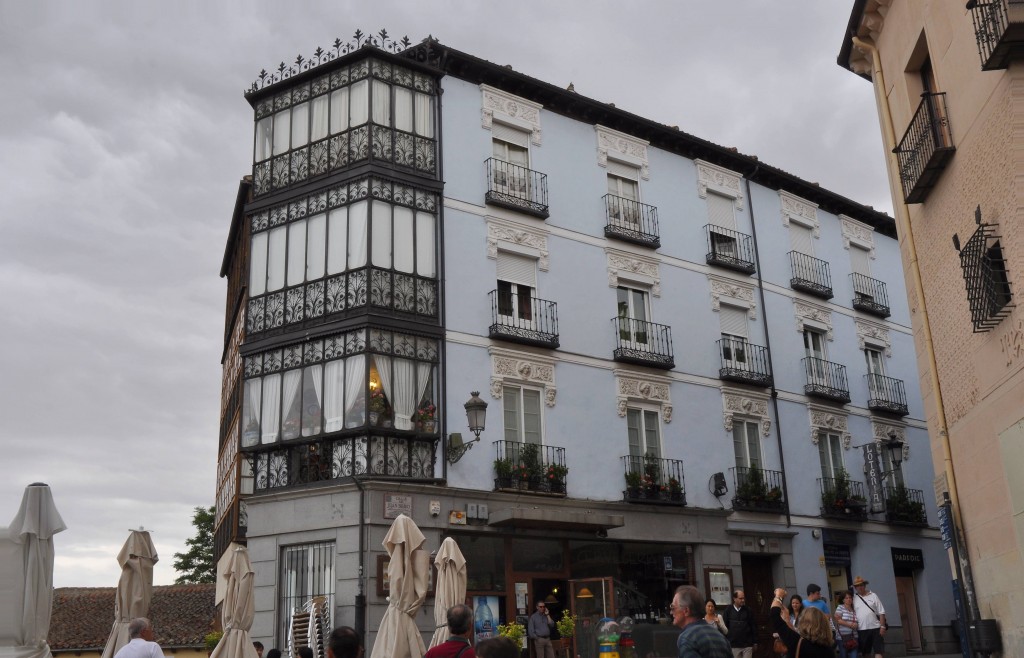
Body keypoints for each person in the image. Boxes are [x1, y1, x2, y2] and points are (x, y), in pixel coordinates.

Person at [769, 589, 834, 658]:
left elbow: (774, 616)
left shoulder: (797, 642)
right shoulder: (829, 650)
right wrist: (787, 620)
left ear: (804, 623)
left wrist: (778, 596)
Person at [671, 585, 731, 658]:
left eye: (673, 607)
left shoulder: (687, 638)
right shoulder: (721, 637)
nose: (671, 612)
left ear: (686, 611)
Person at [851, 577, 886, 658]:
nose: (860, 587)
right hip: (861, 629)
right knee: (866, 653)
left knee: (878, 651)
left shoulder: (873, 595)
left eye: (861, 585)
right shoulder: (854, 598)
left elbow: (881, 612)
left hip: (876, 628)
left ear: (865, 585)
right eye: (857, 586)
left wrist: (882, 626)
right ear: (855, 588)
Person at [721, 589, 757, 658]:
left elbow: (753, 626)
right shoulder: (728, 610)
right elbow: (725, 627)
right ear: (734, 599)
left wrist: (755, 641)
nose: (743, 600)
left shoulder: (748, 610)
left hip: (747, 644)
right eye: (740, 598)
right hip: (734, 645)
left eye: (744, 598)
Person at [834, 592, 859, 658]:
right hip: (842, 637)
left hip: (853, 637)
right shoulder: (840, 607)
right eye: (846, 598)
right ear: (843, 600)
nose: (849, 599)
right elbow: (838, 620)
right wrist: (850, 625)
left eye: (850, 597)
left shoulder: (855, 610)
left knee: (854, 656)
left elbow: (858, 621)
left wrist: (856, 625)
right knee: (843, 655)